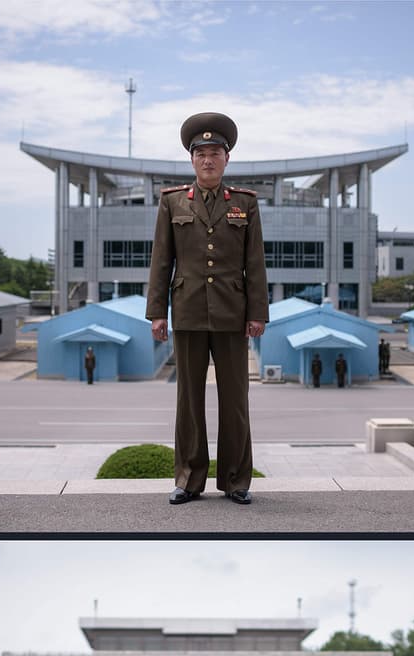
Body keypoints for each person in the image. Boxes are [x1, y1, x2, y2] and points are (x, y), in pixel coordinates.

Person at [146, 112, 269, 507]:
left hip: (234, 314)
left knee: (235, 400)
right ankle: (188, 479)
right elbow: (161, 260)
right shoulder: (172, 202)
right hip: (188, 312)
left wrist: (257, 313)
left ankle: (236, 481)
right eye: (201, 154)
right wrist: (157, 312)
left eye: (215, 153)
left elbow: (256, 263)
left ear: (227, 158)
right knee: (189, 400)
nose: (208, 160)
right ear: (192, 159)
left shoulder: (245, 205)